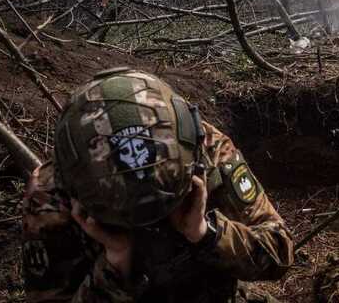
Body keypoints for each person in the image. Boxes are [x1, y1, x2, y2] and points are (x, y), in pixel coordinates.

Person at [21, 67, 294, 302]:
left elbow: (279, 250)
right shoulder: (52, 196)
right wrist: (115, 262)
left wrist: (205, 232)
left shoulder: (204, 149)